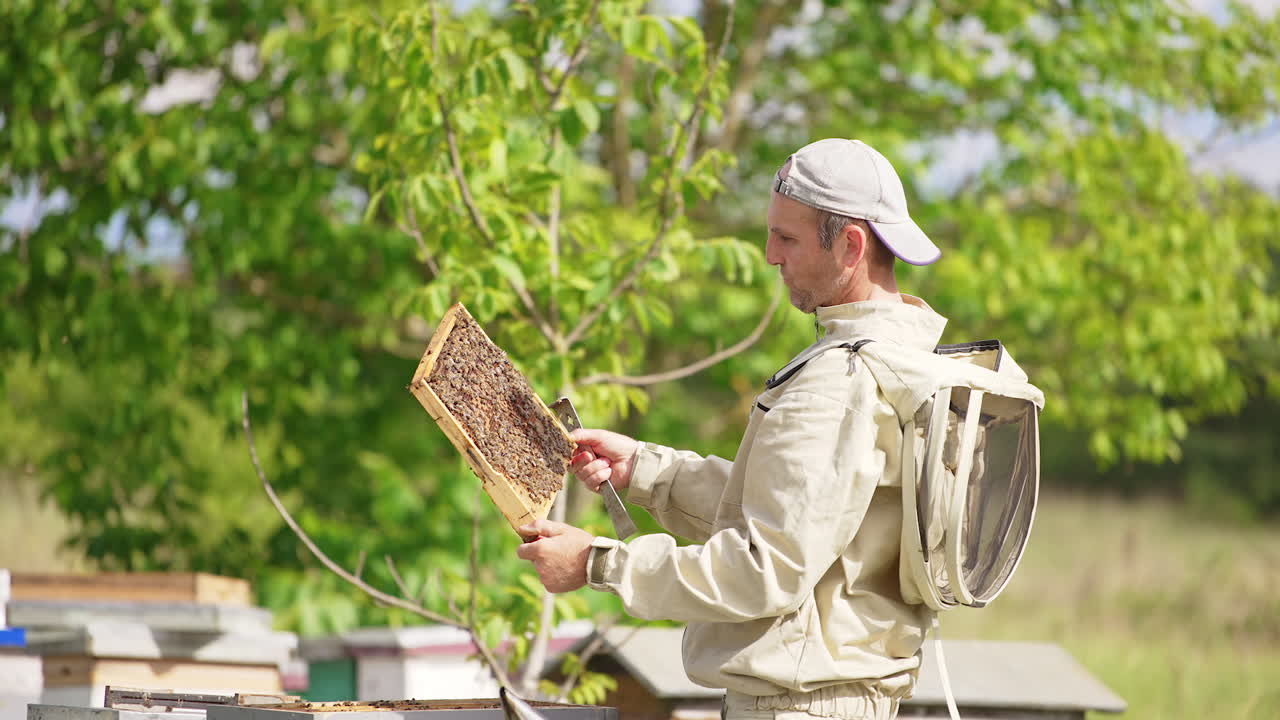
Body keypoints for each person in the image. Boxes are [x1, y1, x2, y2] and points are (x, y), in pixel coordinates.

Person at [516, 138, 948, 720]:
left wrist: (598, 563)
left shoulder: (839, 381)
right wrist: (646, 471)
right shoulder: (902, 359)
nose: (770, 254)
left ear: (850, 246)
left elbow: (765, 567)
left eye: (787, 238)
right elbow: (799, 516)